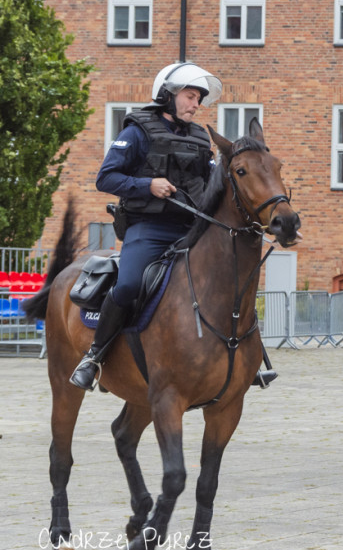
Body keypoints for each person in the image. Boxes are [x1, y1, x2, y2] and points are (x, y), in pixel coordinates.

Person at [70, 62, 275, 390]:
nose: (197, 104)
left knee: (230, 283)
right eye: (191, 96)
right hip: (148, 229)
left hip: (191, 230)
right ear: (167, 95)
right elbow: (105, 177)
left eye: (199, 99)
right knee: (128, 286)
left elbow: (211, 184)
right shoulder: (137, 131)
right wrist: (147, 185)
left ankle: (249, 359)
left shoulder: (198, 136)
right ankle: (94, 356)